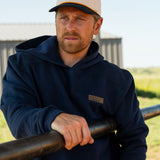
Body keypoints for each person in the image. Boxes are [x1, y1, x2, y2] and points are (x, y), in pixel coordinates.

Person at [0, 0, 148, 160]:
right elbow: (16, 114)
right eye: (63, 18)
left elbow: (134, 140)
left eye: (80, 19)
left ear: (97, 26)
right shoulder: (23, 65)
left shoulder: (117, 79)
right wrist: (51, 118)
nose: (70, 27)